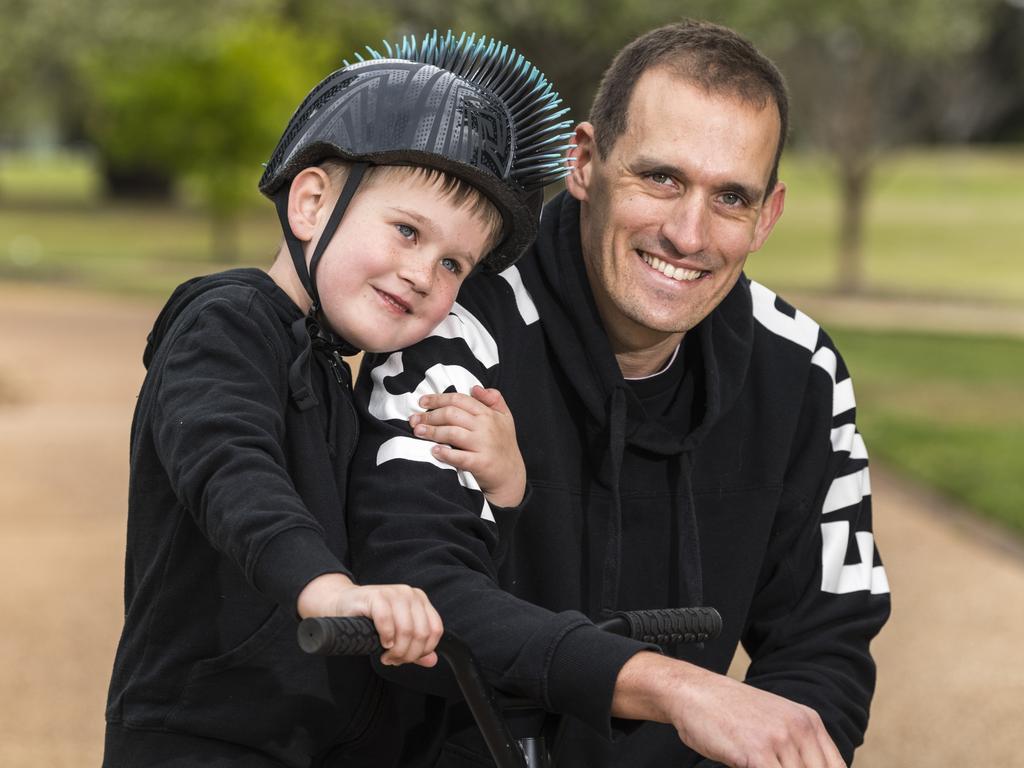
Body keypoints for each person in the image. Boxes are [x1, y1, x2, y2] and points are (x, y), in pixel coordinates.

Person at [347, 19, 891, 768]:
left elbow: (824, 641)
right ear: (583, 162)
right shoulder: (456, 326)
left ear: (767, 216)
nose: (689, 234)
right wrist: (669, 687)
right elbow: (417, 585)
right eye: (661, 178)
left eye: (731, 197)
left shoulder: (800, 370)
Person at [102, 31, 574, 767]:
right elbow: (230, 468)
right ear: (313, 202)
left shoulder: (336, 372)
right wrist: (324, 589)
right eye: (407, 230)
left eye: (453, 262)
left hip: (313, 741)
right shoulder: (223, 324)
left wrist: (504, 490)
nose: (424, 273)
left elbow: (390, 540)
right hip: (200, 737)